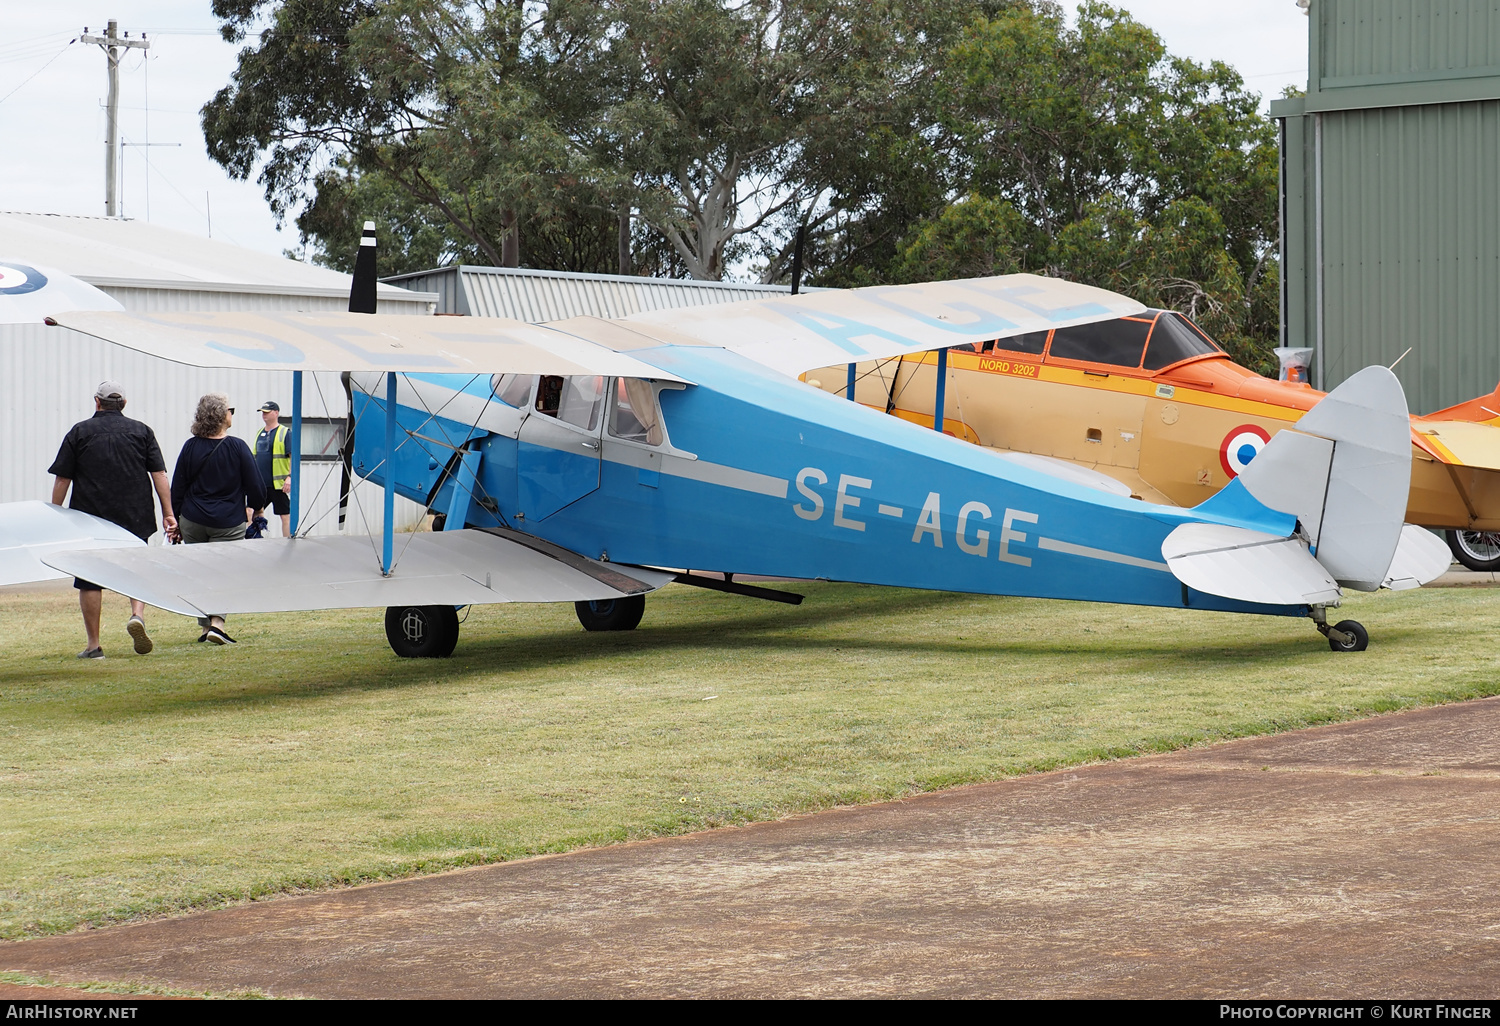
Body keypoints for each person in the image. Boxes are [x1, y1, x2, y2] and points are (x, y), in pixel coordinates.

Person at [48, 381, 177, 659]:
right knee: (136, 569)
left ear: (97, 402)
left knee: (89, 580)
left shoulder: (80, 431)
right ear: (124, 404)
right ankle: (137, 615)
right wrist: (168, 512)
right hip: (136, 513)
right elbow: (160, 475)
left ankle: (94, 646)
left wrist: (55, 513)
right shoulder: (142, 431)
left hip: (90, 516)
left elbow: (63, 478)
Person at [170, 393, 265, 645]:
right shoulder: (237, 447)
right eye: (230, 409)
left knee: (199, 573)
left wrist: (178, 521)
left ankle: (204, 629)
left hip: (192, 519)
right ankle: (217, 625)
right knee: (225, 573)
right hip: (227, 521)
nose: (232, 413)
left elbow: (177, 487)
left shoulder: (190, 446)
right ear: (222, 415)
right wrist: (255, 509)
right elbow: (256, 487)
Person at [252, 400, 293, 537]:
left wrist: (290, 477)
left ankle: (288, 542)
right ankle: (253, 538)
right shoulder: (259, 433)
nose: (264, 415)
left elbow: (292, 456)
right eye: (262, 413)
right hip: (261, 484)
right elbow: (254, 457)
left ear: (276, 413)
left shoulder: (284, 432)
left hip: (278, 485)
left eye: (267, 412)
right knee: (251, 511)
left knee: (285, 515)